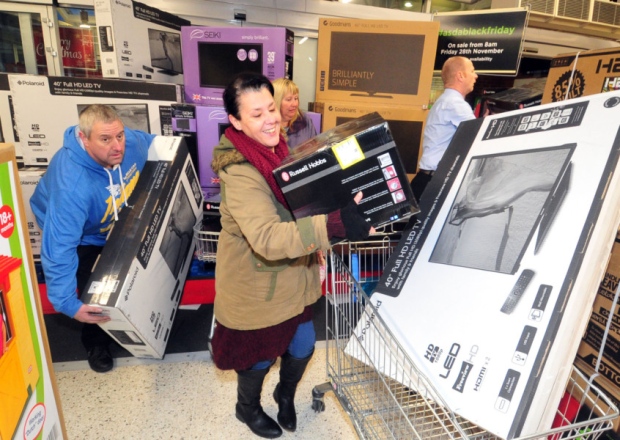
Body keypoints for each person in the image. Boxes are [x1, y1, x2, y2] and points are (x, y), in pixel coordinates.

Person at [210, 72, 373, 439]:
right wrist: (332, 224)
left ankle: (285, 394)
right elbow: (267, 237)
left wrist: (345, 203)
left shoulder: (277, 148)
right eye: (256, 114)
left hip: (295, 276)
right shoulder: (239, 169)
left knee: (302, 345)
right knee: (258, 357)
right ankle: (246, 409)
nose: (270, 118)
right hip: (257, 285)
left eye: (271, 107)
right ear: (235, 121)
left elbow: (301, 199)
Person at [30, 104, 155, 373]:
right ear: (84, 139)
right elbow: (59, 248)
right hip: (79, 233)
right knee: (93, 284)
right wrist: (67, 304)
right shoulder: (72, 186)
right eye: (105, 139)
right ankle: (96, 342)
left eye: (119, 136)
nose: (117, 146)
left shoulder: (130, 142)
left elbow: (157, 144)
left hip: (113, 218)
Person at [411, 56, 478, 201]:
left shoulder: (443, 101)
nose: (476, 76)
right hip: (435, 183)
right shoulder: (455, 104)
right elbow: (479, 135)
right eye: (472, 71)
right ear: (460, 75)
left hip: (426, 180)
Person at [272, 78, 317, 148]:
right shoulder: (268, 126)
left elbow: (315, 148)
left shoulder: (305, 120)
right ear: (277, 101)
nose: (295, 104)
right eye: (289, 99)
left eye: (296, 98)